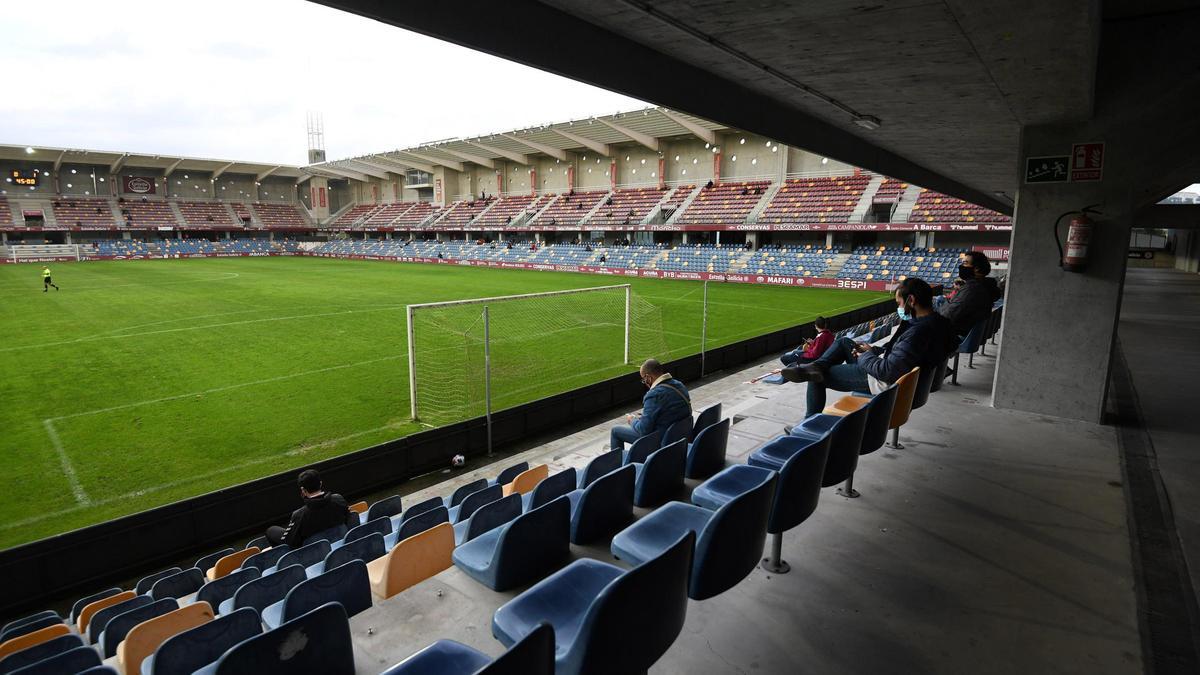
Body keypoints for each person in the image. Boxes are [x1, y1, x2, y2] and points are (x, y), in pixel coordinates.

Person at [782, 278, 956, 420]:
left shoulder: (919, 331)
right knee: (844, 341)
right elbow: (903, 356)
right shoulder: (938, 323)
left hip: (883, 381)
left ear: (911, 300)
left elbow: (887, 371)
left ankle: (809, 425)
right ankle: (817, 365)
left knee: (816, 377)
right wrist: (874, 350)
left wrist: (866, 355)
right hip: (893, 371)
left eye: (899, 303)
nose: (899, 308)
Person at [609, 359, 691, 452]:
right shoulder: (679, 385)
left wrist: (632, 420)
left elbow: (643, 430)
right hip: (679, 435)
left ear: (648, 377)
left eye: (644, 379)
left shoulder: (654, 395)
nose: (645, 382)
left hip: (661, 440)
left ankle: (617, 464)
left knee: (615, 431)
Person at [264, 469, 357, 548]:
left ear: (303, 490)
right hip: (342, 547)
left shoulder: (299, 515)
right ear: (320, 484)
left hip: (314, 557)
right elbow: (350, 520)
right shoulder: (338, 499)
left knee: (271, 531)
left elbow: (291, 543)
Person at [937, 251, 1002, 337]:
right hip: (966, 332)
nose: (961, 267)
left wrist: (944, 304)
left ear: (977, 268)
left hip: (955, 334)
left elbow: (947, 316)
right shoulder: (984, 286)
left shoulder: (972, 289)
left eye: (965, 263)